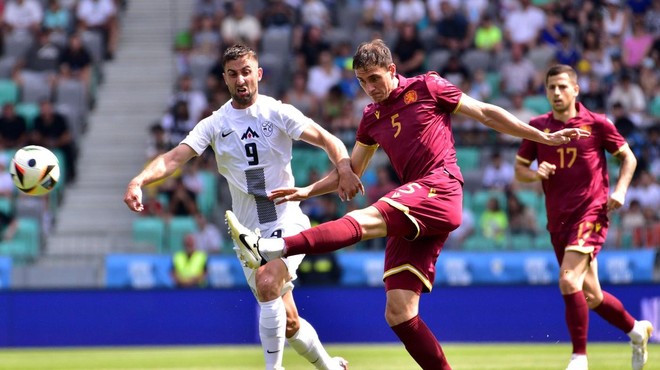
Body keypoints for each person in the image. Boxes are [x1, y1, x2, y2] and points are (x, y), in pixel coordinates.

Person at [226, 39, 589, 370]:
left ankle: (274, 247)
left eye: (374, 78)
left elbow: (485, 113)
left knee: (367, 217)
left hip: (440, 187)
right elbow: (351, 172)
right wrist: (308, 191)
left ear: (392, 71)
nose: (369, 88)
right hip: (415, 207)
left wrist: (539, 135)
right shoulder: (371, 118)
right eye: (361, 81)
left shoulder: (428, 87)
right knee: (399, 312)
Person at [124, 44, 353, 370]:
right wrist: (139, 180)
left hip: (286, 220)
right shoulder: (215, 124)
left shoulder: (279, 112)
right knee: (288, 322)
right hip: (248, 235)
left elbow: (329, 139)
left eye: (246, 72)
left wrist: (343, 167)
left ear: (258, 73)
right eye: (233, 74)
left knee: (267, 282)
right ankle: (330, 366)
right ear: (225, 79)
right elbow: (174, 158)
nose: (241, 79)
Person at [513, 64, 653, 370]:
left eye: (563, 86)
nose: (557, 93)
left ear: (576, 89)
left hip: (591, 213)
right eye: (551, 87)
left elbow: (628, 157)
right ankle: (637, 330)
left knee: (567, 280)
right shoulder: (537, 127)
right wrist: (534, 173)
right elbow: (519, 170)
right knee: (591, 295)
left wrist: (620, 191)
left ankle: (579, 358)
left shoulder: (597, 124)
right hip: (557, 221)